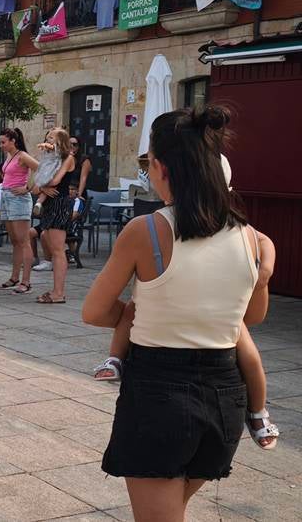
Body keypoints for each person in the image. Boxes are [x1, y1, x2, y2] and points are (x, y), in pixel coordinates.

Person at [81, 106, 277, 521]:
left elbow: (95, 311)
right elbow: (252, 316)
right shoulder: (254, 239)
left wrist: (135, 313)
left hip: (159, 391)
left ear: (161, 167)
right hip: (225, 393)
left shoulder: (147, 230)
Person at [33, 128, 76, 304]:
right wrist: (42, 188)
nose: (48, 141)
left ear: (61, 142)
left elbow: (56, 181)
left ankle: (58, 293)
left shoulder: (68, 158)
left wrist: (41, 187)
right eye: (47, 138)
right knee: (52, 247)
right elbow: (36, 186)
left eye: (52, 138)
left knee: (58, 250)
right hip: (50, 203)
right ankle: (55, 289)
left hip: (60, 203)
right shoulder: (51, 158)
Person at [0, 128, 39, 294]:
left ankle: (26, 281)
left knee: (24, 241)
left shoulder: (22, 155)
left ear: (13, 141)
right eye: (0, 142)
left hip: (18, 199)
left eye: (3, 142)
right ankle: (14, 277)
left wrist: (28, 188)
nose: (1, 145)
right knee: (15, 240)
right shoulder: (9, 156)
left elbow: (40, 168)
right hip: (7, 196)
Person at [67, 137, 92, 202]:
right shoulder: (64, 159)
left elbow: (83, 178)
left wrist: (79, 194)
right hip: (65, 192)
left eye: (74, 144)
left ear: (78, 147)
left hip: (77, 191)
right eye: (69, 144)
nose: (72, 146)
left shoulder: (84, 159)